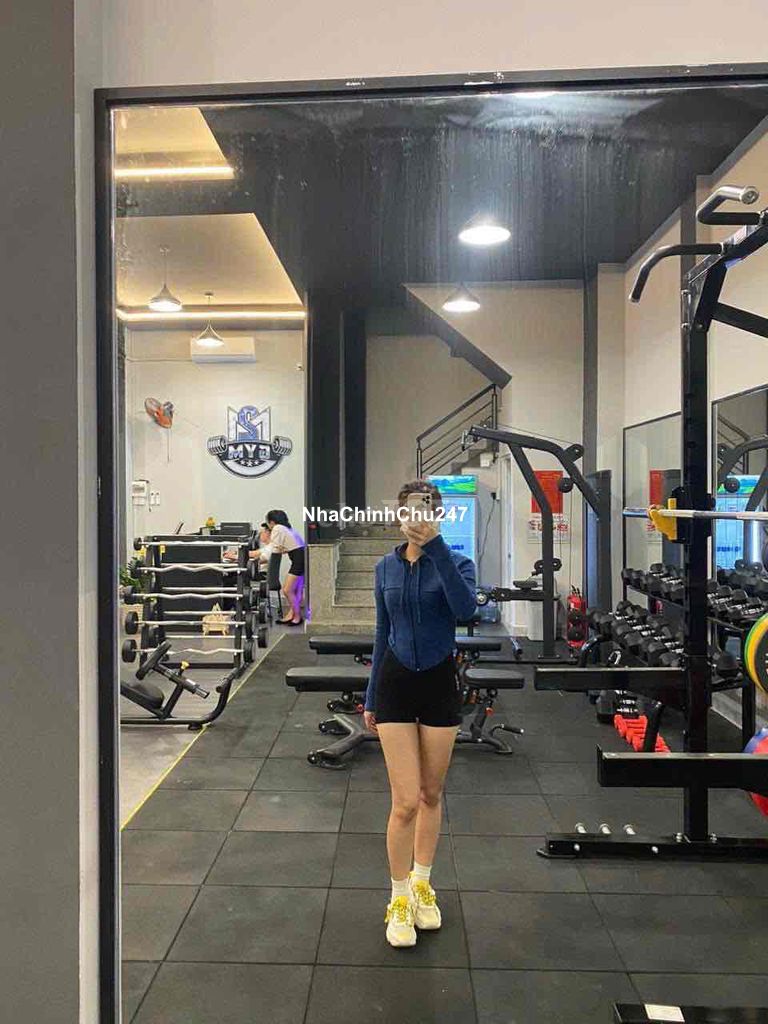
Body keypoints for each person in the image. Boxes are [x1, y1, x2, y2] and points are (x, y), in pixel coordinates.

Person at [363, 479, 476, 948]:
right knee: (405, 801)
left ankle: (423, 884)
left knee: (431, 793)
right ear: (399, 515)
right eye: (409, 510)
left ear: (437, 515)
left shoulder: (458, 563)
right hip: (395, 682)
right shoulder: (385, 568)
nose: (416, 518)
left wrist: (437, 549)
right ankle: (398, 897)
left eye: (426, 510)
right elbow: (381, 631)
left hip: (438, 682)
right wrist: (371, 695)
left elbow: (465, 611)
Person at [263, 510, 306, 625]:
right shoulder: (287, 529)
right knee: (295, 591)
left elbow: (274, 548)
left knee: (287, 590)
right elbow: (288, 547)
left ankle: (297, 617)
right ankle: (292, 615)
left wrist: (261, 556)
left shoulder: (277, 528)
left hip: (299, 561)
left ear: (272, 522)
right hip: (301, 558)